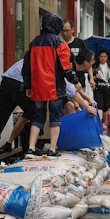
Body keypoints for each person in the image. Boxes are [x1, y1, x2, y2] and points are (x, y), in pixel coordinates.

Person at [23, 12, 81, 158]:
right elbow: (66, 66)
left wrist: (28, 86)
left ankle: (30, 148)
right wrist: (75, 81)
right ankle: (52, 149)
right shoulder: (59, 43)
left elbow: (27, 68)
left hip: (37, 87)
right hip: (54, 87)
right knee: (55, 118)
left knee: (37, 118)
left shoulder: (33, 43)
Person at [0, 59, 35, 159]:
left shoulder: (26, 58)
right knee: (33, 114)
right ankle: (28, 148)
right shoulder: (41, 59)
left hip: (6, 82)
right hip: (20, 85)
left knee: (1, 115)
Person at [62, 19, 95, 90]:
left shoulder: (80, 43)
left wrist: (91, 78)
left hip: (80, 81)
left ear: (73, 30)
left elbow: (88, 60)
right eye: (63, 30)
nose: (65, 33)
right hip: (65, 82)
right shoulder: (59, 44)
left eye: (67, 30)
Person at [94, 50, 110, 131]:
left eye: (104, 56)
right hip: (99, 89)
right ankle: (100, 123)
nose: (103, 58)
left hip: (108, 89)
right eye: (101, 56)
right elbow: (90, 78)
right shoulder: (95, 67)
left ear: (107, 57)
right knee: (100, 106)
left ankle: (104, 121)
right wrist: (95, 77)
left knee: (106, 107)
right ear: (98, 57)